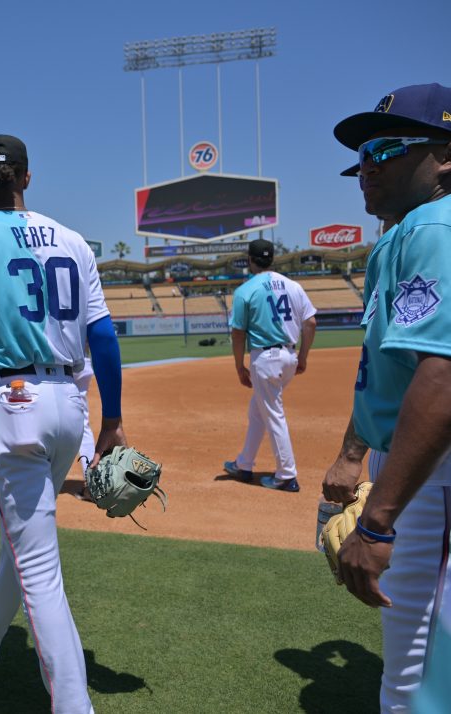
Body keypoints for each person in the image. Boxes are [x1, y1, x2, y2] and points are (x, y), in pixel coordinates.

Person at [0, 134, 125, 713]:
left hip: (12, 401)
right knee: (25, 543)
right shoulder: (70, 238)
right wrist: (110, 422)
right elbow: (103, 337)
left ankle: (73, 706)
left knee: (39, 568)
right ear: (27, 179)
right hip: (70, 402)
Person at [328, 82, 451, 712]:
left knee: (420, 673)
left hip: (437, 469)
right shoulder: (409, 231)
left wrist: (378, 524)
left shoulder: (437, 226)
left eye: (388, 148)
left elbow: (442, 377)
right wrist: (354, 453)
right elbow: (391, 366)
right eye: (363, 154)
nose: (367, 167)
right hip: (416, 461)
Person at [222, 239, 317, 492]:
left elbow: (238, 332)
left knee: (273, 414)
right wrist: (304, 357)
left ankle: (286, 475)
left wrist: (238, 365)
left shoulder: (246, 290)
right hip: (289, 356)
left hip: (266, 359)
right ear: (272, 258)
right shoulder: (293, 286)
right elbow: (311, 323)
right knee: (258, 412)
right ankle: (244, 465)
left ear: (250, 259)